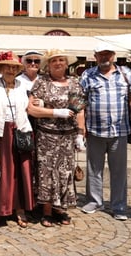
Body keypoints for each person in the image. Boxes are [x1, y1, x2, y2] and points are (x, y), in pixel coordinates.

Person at [79, 42, 131, 221]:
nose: (105, 57)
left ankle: (119, 206)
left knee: (119, 171)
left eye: (108, 54)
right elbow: (80, 103)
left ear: (113, 55)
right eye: (101, 54)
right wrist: (81, 128)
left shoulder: (126, 74)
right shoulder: (87, 75)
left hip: (120, 130)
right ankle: (94, 201)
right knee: (94, 169)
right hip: (95, 130)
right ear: (95, 56)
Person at [27, 49, 86, 227]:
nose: (58, 63)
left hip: (68, 137)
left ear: (67, 63)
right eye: (54, 61)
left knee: (65, 172)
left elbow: (80, 109)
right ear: (49, 64)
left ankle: (60, 208)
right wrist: (55, 112)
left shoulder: (75, 82)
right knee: (47, 172)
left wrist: (80, 134)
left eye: (61, 60)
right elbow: (31, 109)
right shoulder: (41, 83)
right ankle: (46, 211)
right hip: (47, 136)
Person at [0, 51, 35, 228]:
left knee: (21, 172)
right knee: (2, 172)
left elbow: (30, 107)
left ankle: (20, 209)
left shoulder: (22, 85)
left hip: (21, 131)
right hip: (0, 132)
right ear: (1, 68)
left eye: (14, 67)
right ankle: (1, 209)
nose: (11, 70)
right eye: (7, 66)